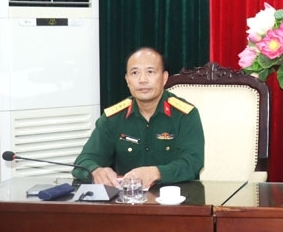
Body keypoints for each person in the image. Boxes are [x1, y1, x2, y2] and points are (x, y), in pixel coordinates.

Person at [72, 47, 205, 189]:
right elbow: (83, 161)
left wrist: (156, 173)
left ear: (164, 78)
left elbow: (193, 163)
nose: (142, 80)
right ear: (127, 80)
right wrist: (95, 171)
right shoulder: (113, 118)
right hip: (128, 199)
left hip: (176, 197)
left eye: (150, 72)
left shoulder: (185, 115)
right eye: (135, 73)